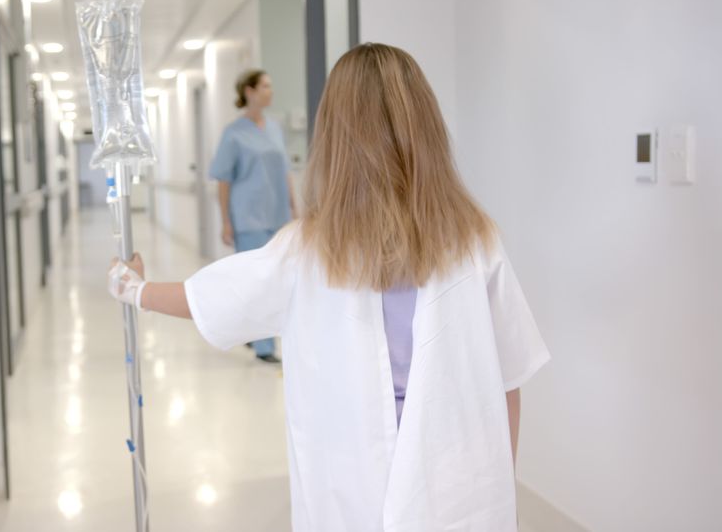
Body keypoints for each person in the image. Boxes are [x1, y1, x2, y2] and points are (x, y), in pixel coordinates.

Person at [107, 43, 550, 531]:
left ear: (336, 138)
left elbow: (211, 297)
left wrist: (134, 288)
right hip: (458, 484)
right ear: (426, 129)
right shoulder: (475, 241)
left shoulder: (306, 252)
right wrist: (497, 484)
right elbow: (509, 379)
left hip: (354, 488)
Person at [209, 69, 297, 363]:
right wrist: (225, 220)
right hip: (248, 217)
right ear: (248, 91)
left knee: (279, 278)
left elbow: (284, 171)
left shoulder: (273, 128)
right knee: (257, 281)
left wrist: (295, 206)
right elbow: (223, 179)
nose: (271, 91)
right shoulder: (233, 133)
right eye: (265, 86)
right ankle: (264, 348)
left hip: (277, 214)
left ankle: (255, 335)